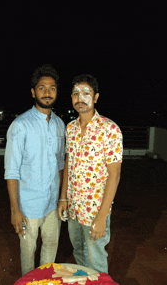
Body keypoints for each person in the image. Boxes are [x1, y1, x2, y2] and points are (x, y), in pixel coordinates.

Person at [58, 74, 123, 274]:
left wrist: (102, 216)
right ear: (71, 98)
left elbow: (114, 175)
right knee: (79, 251)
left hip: (96, 209)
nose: (80, 98)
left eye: (86, 93)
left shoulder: (110, 129)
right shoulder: (70, 129)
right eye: (76, 94)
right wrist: (63, 198)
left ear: (95, 98)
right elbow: (69, 163)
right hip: (74, 207)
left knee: (96, 256)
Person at [4, 64, 65, 276]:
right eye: (42, 88)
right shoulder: (20, 125)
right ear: (33, 92)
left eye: (52, 88)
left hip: (52, 203)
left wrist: (62, 199)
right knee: (28, 252)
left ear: (57, 92)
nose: (47, 93)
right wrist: (15, 210)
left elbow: (60, 165)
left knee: (50, 247)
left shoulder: (59, 125)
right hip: (27, 205)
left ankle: (45, 280)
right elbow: (11, 170)